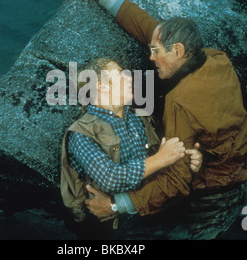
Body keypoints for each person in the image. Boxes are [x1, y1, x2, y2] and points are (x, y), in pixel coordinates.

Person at [63, 0, 247, 239]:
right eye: (120, 75)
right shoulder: (215, 58)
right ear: (101, 87)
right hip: (244, 161)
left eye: (156, 51)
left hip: (217, 187)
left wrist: (115, 205)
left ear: (177, 51)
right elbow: (147, 27)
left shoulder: (175, 105)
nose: (149, 56)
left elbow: (175, 179)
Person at [60, 57, 202, 238]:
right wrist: (161, 158)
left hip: (154, 206)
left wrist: (190, 158)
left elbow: (166, 152)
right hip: (117, 227)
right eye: (120, 74)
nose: (129, 78)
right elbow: (111, 178)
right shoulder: (81, 134)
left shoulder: (138, 117)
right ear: (102, 87)